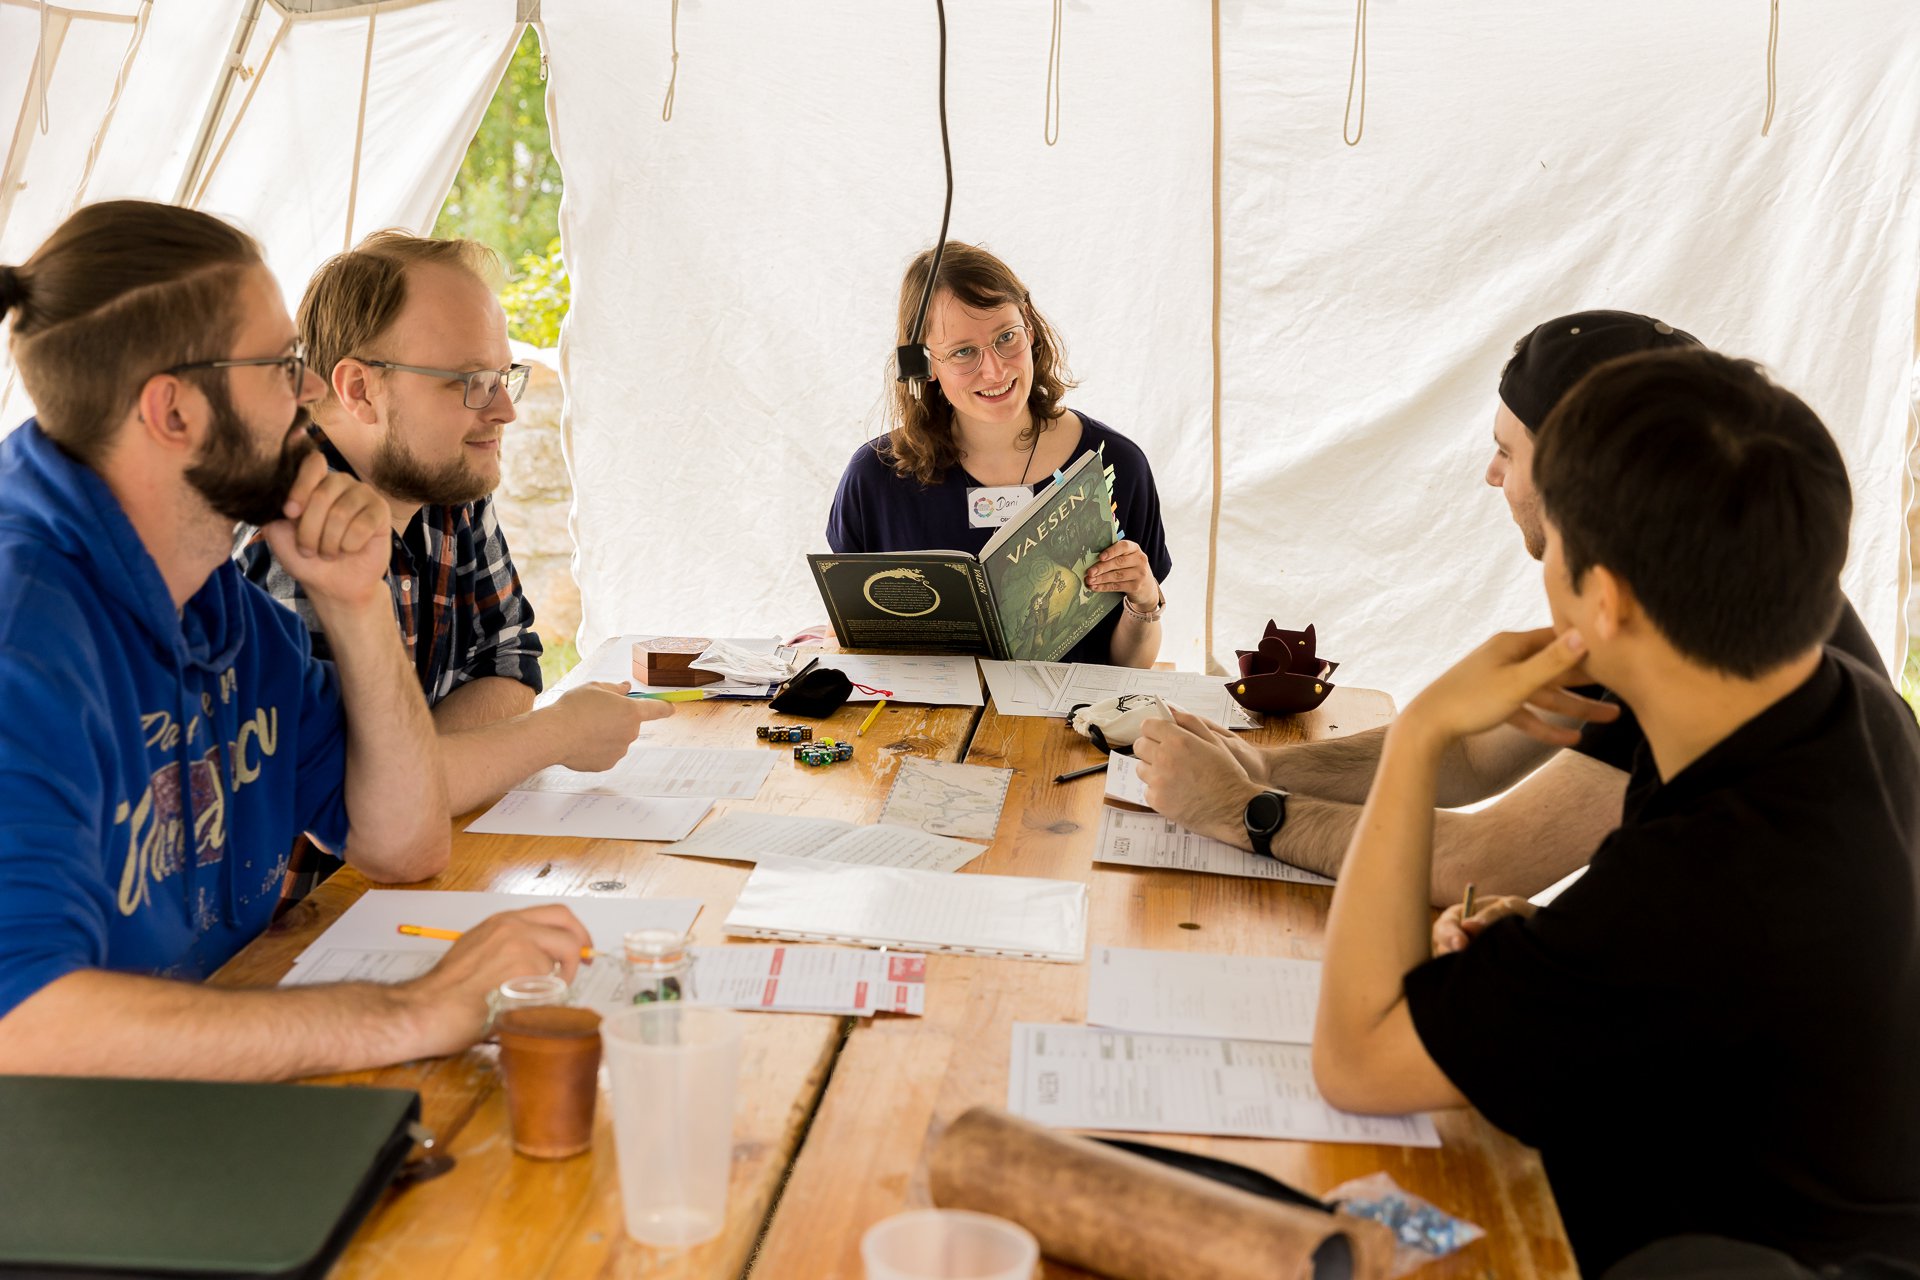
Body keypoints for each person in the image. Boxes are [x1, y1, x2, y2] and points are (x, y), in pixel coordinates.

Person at [1311, 348, 1920, 1275]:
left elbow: (1355, 1062)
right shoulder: (1848, 705)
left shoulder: (1700, 884)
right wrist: (1561, 949)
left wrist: (1420, 734)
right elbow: (1710, 988)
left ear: (1605, 599)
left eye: (1553, 543)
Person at [0, 201, 597, 1079]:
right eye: (282, 366)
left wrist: (356, 603)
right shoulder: (24, 637)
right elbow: (22, 1023)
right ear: (174, 412)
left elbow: (402, 842)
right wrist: (409, 1011)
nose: (312, 392)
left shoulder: (221, 605)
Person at [1132, 311, 1882, 907]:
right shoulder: (1687, 580)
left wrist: (1243, 809)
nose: (1493, 475)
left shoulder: (1692, 643)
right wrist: (1266, 766)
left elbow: (1486, 859)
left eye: (1508, 452)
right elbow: (1472, 757)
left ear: (1580, 474)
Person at [241, 230, 663, 901]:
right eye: (470, 382)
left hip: (412, 878)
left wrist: (414, 770)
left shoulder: (445, 483)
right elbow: (346, 810)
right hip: (301, 925)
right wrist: (560, 731)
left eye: (502, 376)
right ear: (360, 390)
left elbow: (512, 664)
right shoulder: (290, 524)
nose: (505, 410)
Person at [826, 243, 1170, 668]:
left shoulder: (1117, 464)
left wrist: (1144, 599)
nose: (995, 371)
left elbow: (1131, 669)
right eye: (963, 352)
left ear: (1030, 326)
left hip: (1072, 713)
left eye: (1006, 337)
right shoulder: (873, 478)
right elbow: (850, 646)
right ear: (923, 363)